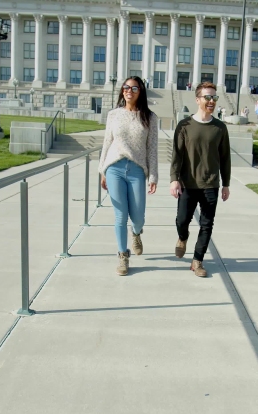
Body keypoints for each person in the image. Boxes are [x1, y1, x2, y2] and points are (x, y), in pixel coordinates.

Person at [98, 76, 158, 276]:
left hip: (136, 170)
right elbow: (107, 142)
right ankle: (123, 256)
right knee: (120, 215)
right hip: (114, 167)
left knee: (138, 216)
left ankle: (137, 232)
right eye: (125, 87)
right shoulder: (114, 115)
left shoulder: (149, 117)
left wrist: (153, 176)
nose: (128, 91)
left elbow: (152, 149)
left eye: (133, 88)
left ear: (140, 91)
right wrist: (102, 170)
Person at [171, 81, 230, 277]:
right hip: (188, 183)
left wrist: (226, 184)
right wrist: (174, 179)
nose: (211, 101)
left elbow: (225, 158)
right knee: (182, 220)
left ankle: (197, 261)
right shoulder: (185, 125)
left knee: (207, 224)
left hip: (211, 184)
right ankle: (182, 238)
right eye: (207, 97)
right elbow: (177, 155)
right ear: (198, 100)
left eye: (214, 97)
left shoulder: (220, 128)